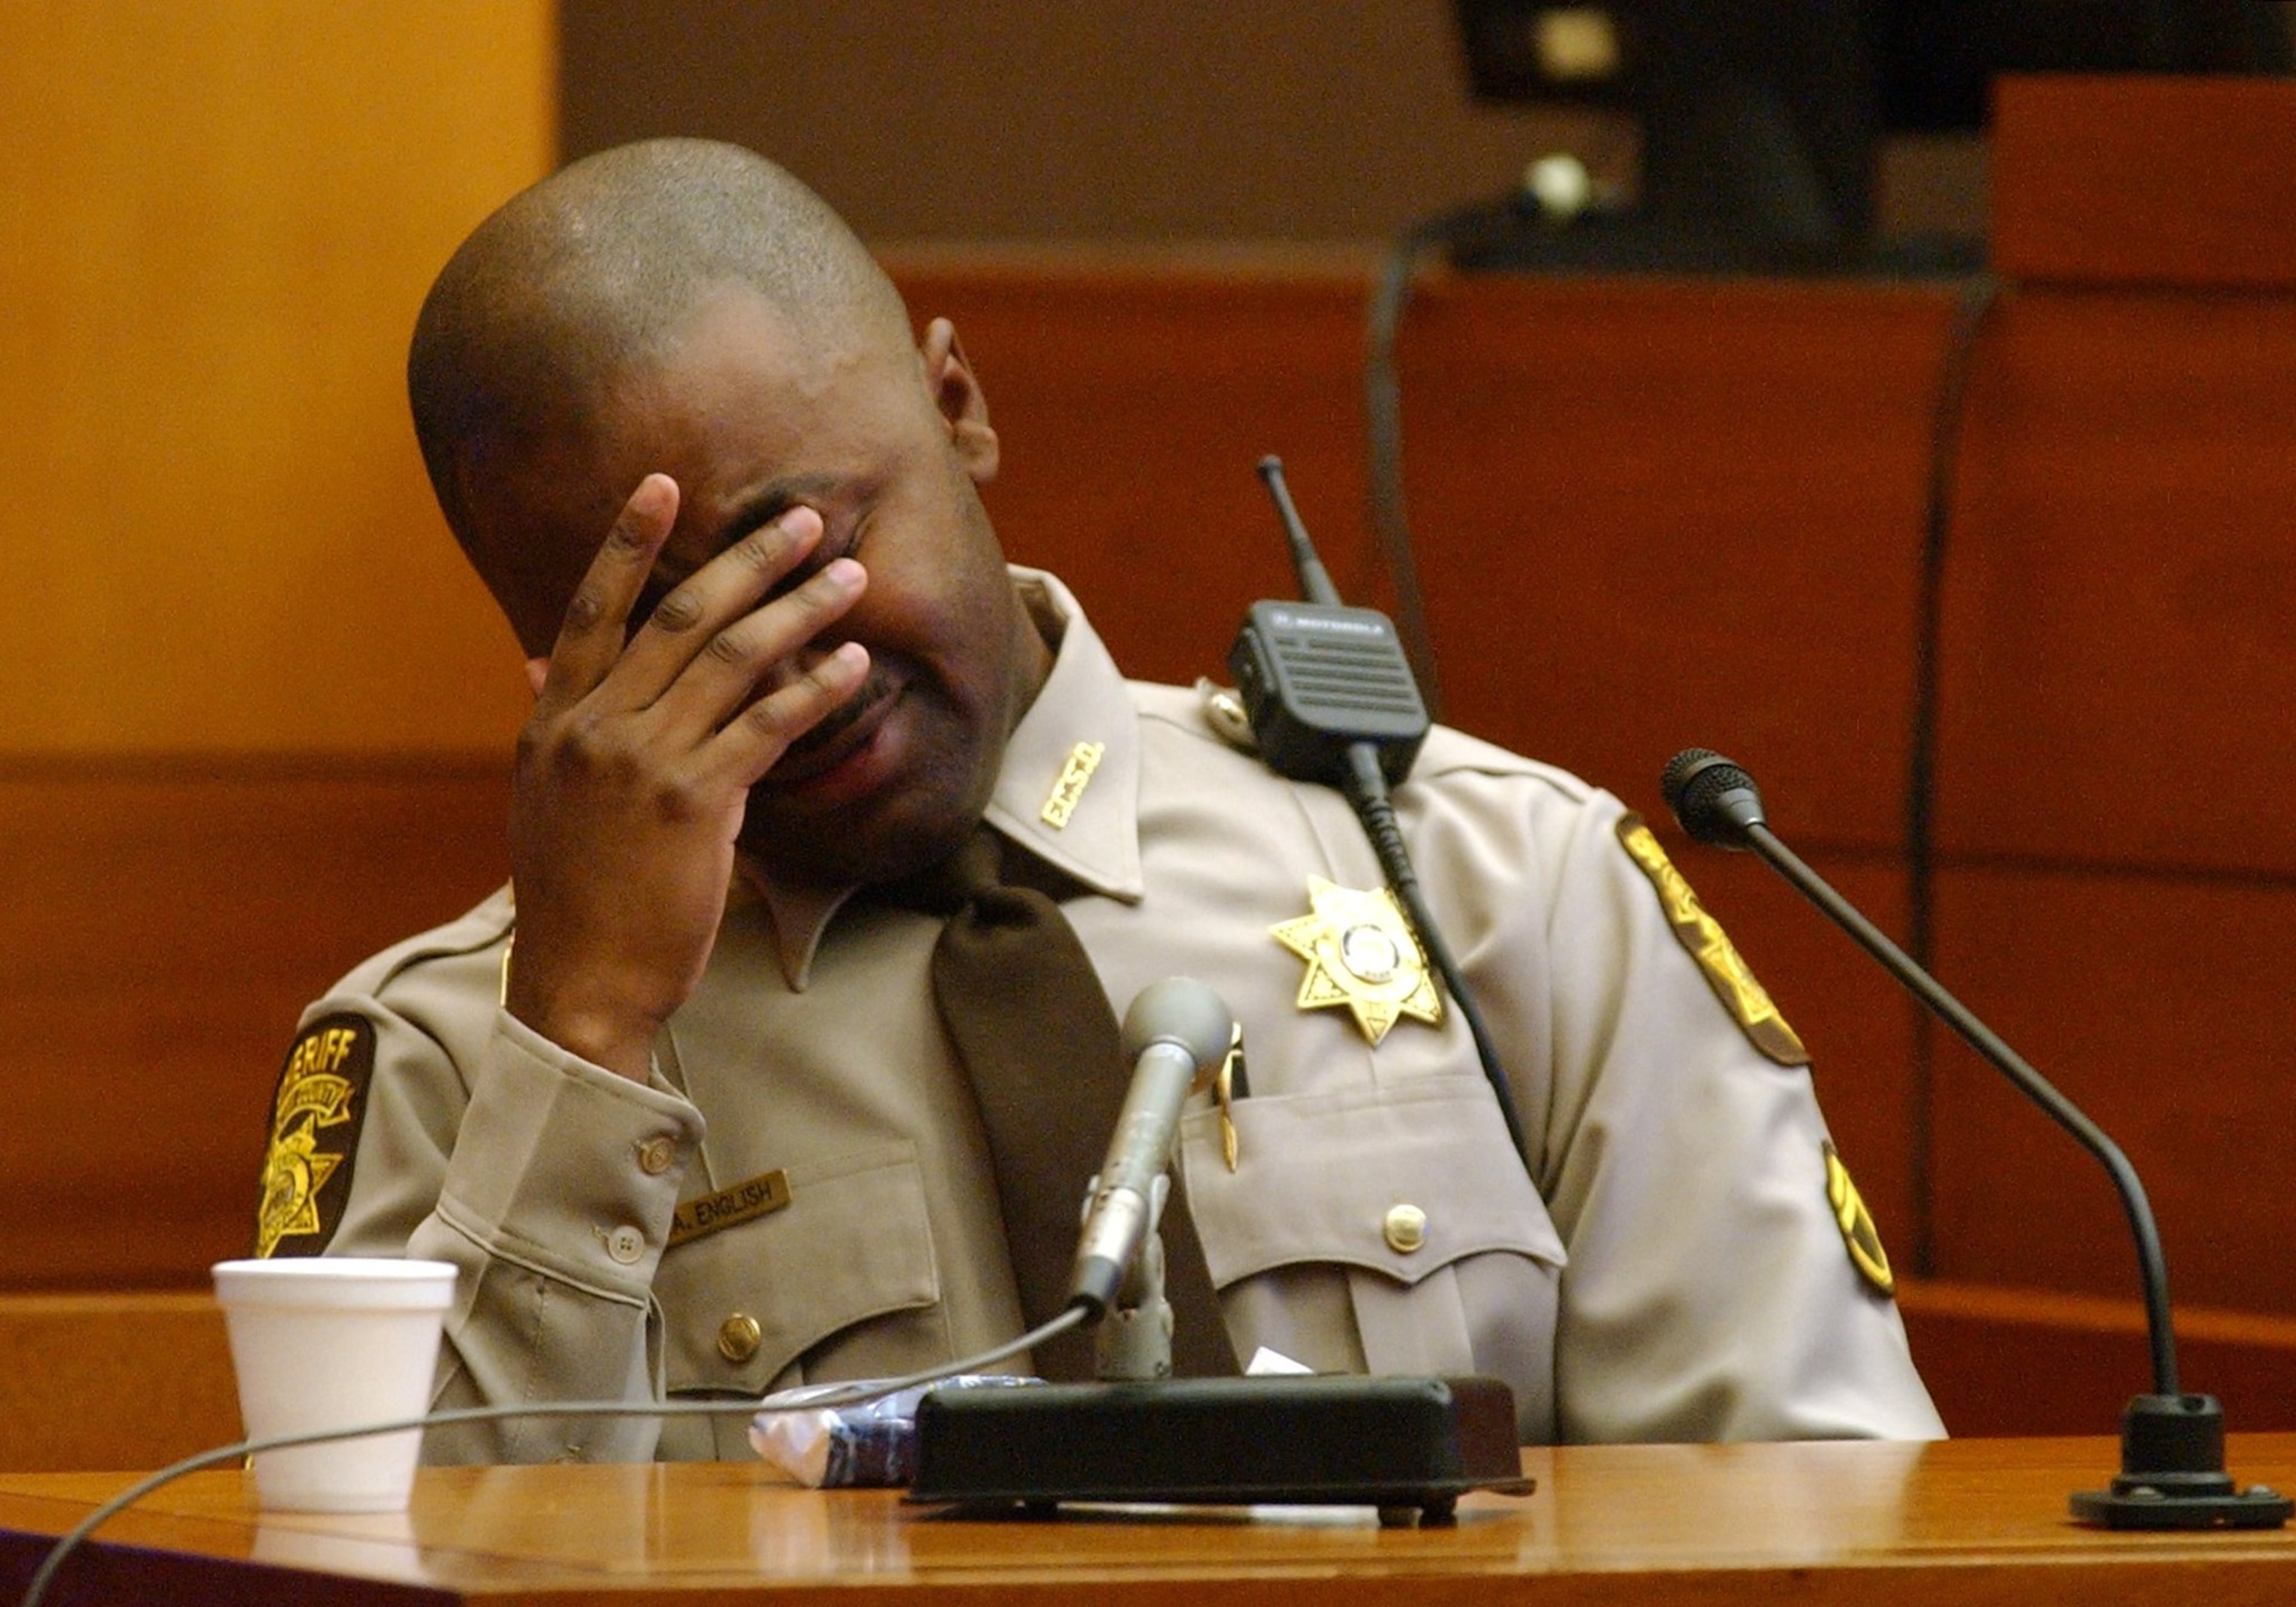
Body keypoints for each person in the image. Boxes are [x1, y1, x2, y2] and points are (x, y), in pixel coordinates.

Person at [254, 137, 1943, 1462]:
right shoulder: (451, 1062)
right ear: (539, 667)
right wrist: (589, 1037)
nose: (792, 674)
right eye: (658, 636)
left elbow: (1816, 1514)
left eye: (813, 558)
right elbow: (403, 1570)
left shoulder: (1502, 883)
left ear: (958, 408)